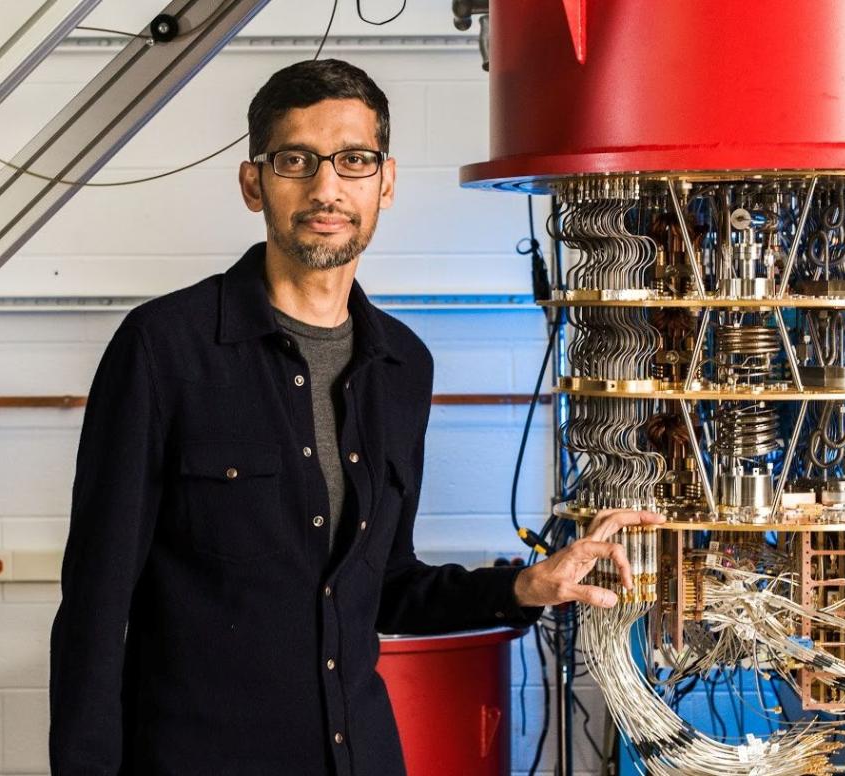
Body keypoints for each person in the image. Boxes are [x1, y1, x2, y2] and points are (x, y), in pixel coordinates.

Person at [48, 58, 662, 776]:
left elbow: (386, 587)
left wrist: (525, 586)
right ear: (255, 184)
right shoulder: (164, 349)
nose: (326, 187)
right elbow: (94, 607)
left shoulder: (402, 366)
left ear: (386, 182)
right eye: (295, 161)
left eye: (354, 161)